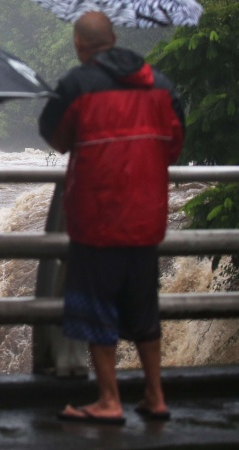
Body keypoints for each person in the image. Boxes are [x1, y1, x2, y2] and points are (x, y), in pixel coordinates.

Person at [38, 11, 185, 425]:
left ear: (79, 45)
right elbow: (173, 146)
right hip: (145, 221)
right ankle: (155, 396)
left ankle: (109, 400)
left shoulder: (76, 86)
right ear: (115, 39)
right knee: (144, 312)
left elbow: (56, 137)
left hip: (96, 222)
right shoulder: (161, 85)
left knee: (97, 312)